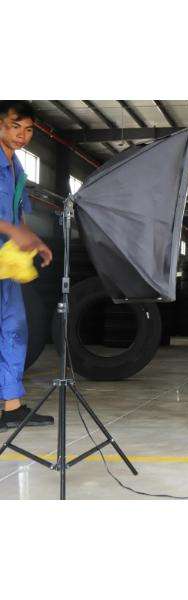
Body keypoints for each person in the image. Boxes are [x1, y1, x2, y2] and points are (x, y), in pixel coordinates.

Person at [0, 100, 53, 430]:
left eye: (29, 129)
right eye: (15, 126)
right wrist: (12, 230)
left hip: (7, 261)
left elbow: (18, 215)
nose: (22, 135)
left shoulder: (17, 168)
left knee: (14, 327)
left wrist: (35, 241)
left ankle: (12, 406)